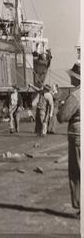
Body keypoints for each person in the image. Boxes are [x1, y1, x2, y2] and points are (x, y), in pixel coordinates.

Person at [57, 62, 80, 213]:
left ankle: (80, 207)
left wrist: (62, 106)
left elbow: (62, 117)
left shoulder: (76, 95)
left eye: (72, 77)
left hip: (77, 137)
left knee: (76, 172)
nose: (70, 79)